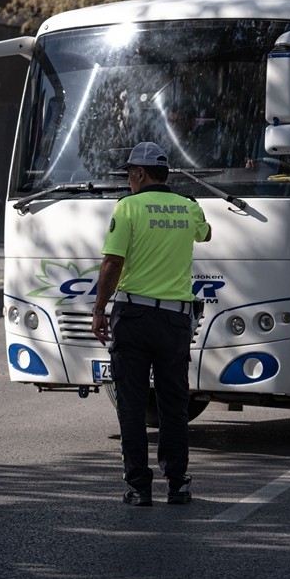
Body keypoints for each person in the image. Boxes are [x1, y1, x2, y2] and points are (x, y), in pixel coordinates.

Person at [90, 142, 212, 506]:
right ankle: (178, 484)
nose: (128, 181)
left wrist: (99, 309)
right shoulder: (189, 207)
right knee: (174, 404)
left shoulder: (127, 208)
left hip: (135, 318)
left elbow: (112, 263)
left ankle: (139, 487)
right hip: (175, 320)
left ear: (140, 174)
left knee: (131, 403)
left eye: (129, 174)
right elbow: (205, 234)